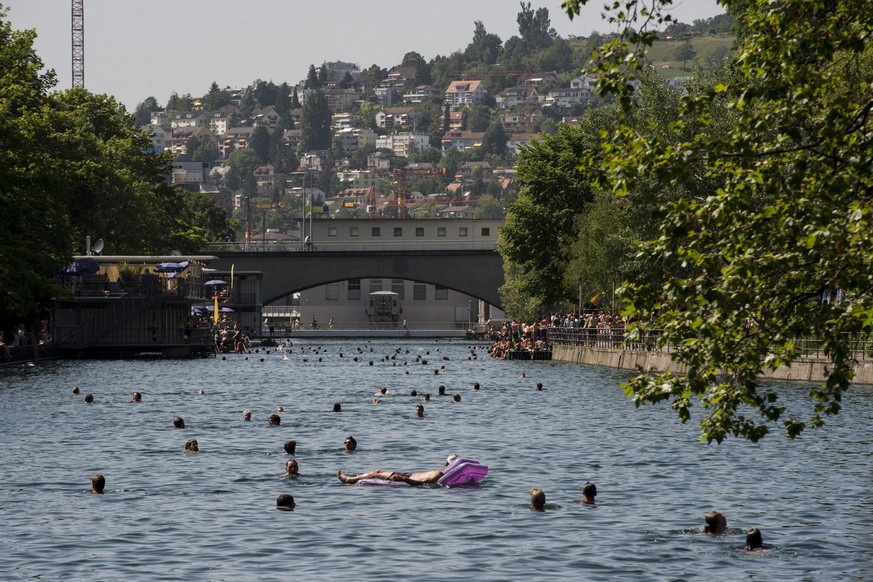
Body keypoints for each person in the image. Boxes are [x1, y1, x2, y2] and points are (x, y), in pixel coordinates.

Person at [337, 455, 454, 486]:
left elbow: (421, 484)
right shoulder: (440, 474)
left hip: (405, 478)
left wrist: (403, 479)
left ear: (446, 463)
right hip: (407, 475)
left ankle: (348, 480)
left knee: (375, 473)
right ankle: (350, 479)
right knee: (378, 471)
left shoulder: (438, 474)